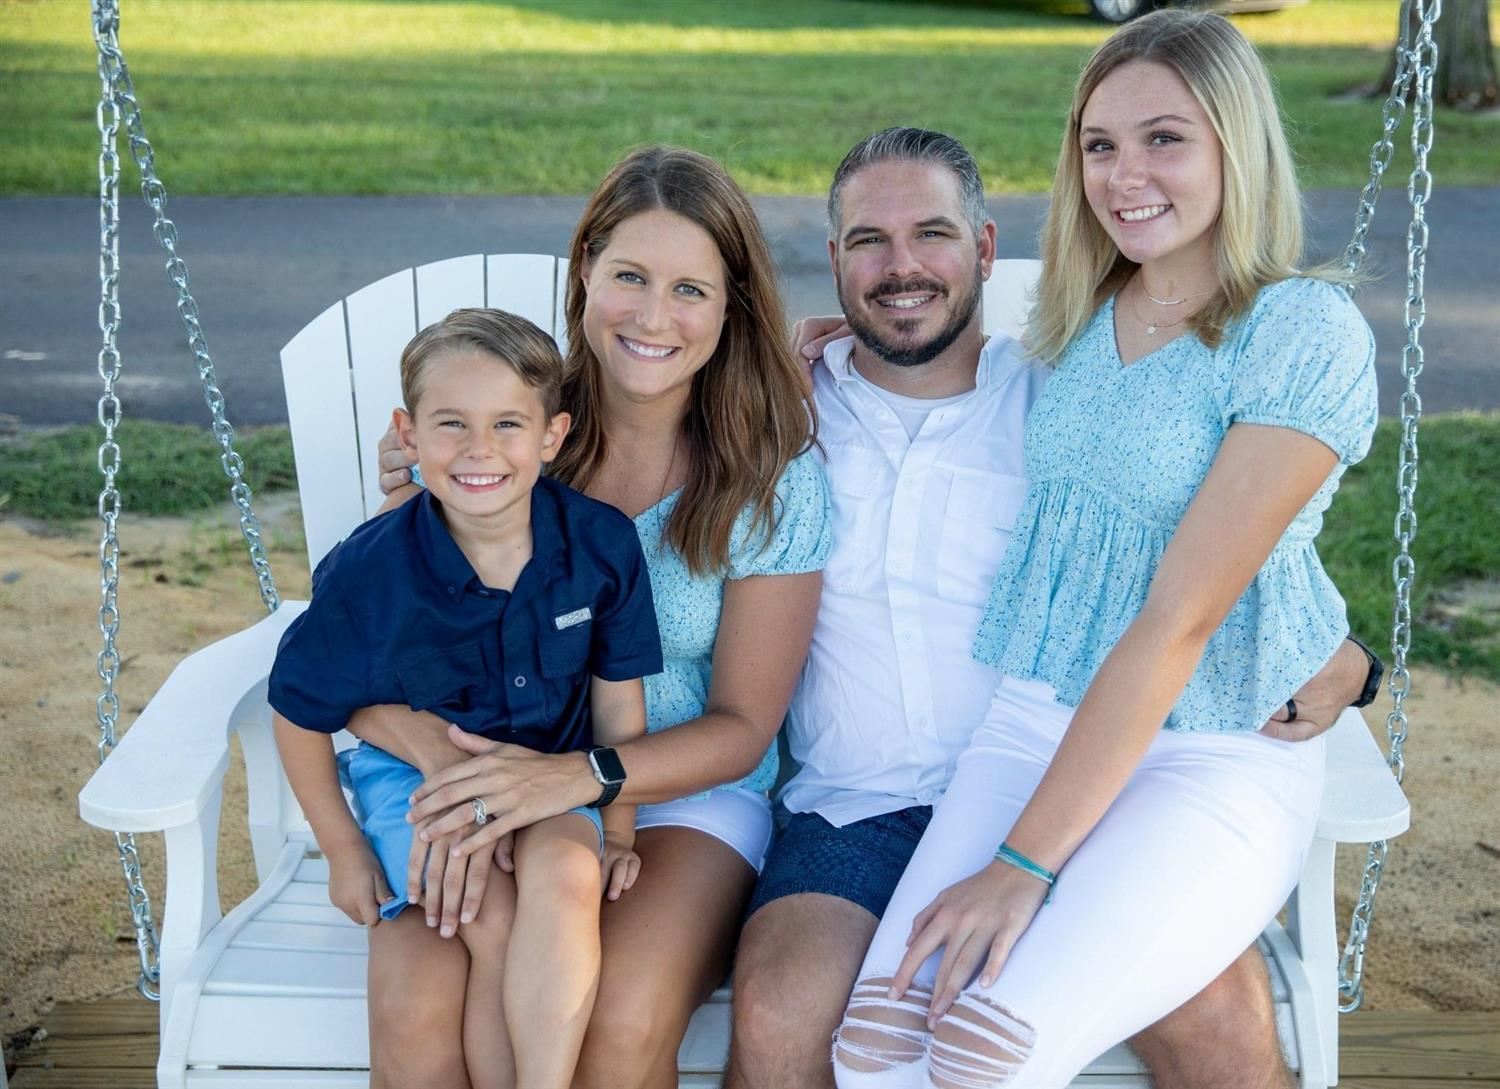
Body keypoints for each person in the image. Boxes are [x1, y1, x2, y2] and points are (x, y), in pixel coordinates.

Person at [728, 122, 1379, 1089]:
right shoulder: (782, 416)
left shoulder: (1064, 410)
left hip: (1087, 792)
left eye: (935, 235)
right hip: (857, 811)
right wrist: (421, 468)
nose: (902, 267)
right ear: (834, 262)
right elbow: (592, 435)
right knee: (784, 1009)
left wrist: (1346, 664)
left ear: (986, 249)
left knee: (1220, 1024)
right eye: (869, 241)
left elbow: (1222, 564)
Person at [357, 146, 831, 1089]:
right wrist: (465, 775)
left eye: (691, 288)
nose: (655, 317)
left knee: (618, 1022)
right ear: (584, 273)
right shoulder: (498, 435)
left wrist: (572, 778)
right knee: (415, 997)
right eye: (630, 277)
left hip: (679, 794)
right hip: (489, 768)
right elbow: (364, 661)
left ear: (732, 305)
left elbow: (742, 730)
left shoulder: (771, 481)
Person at [268, 308, 663, 1089]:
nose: (480, 451)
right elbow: (297, 706)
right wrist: (344, 850)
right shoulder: (371, 569)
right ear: (408, 435)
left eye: (507, 425)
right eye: (451, 424)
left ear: (552, 436)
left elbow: (618, 698)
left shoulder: (599, 546)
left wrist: (617, 826)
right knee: (487, 909)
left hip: (548, 770)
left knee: (568, 875)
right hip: (415, 784)